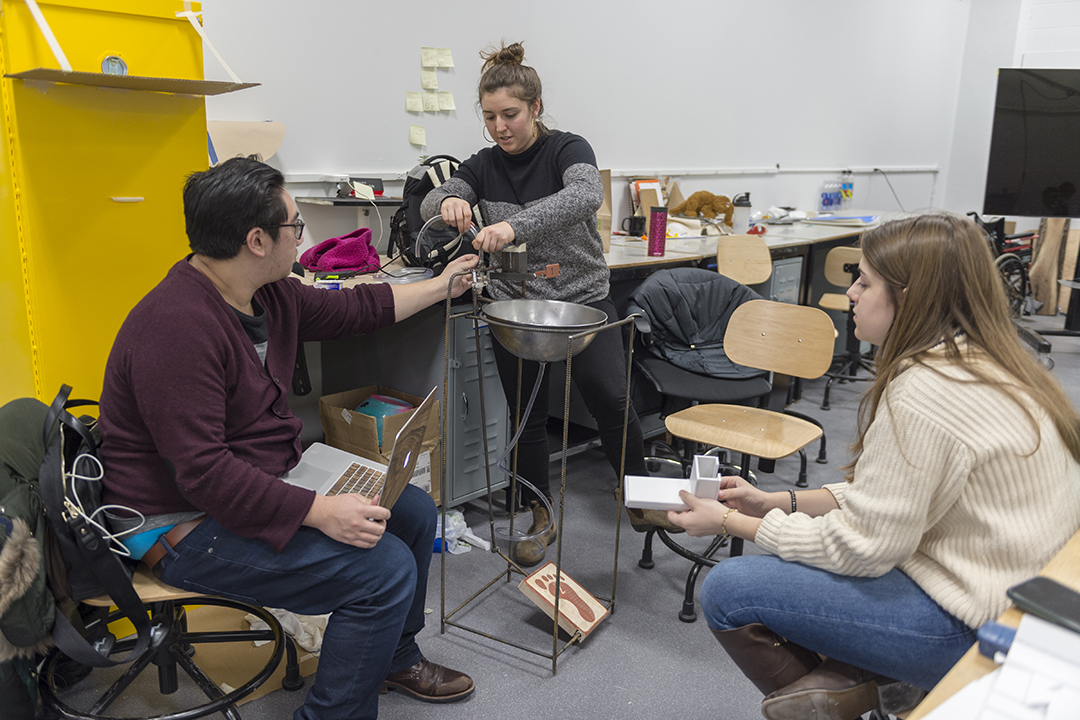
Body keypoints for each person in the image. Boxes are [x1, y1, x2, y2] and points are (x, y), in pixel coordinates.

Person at [98, 156, 479, 720]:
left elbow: (356, 307)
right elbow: (206, 476)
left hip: (251, 484)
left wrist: (441, 285)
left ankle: (394, 657)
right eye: (295, 227)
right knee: (383, 571)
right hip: (179, 523)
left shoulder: (267, 294)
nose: (303, 240)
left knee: (414, 512)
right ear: (256, 239)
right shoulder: (175, 328)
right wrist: (319, 511)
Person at [670, 213, 1080, 720]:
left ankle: (869, 686)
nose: (851, 294)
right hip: (1014, 590)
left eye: (864, 282)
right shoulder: (982, 359)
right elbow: (889, 495)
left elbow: (863, 548)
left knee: (729, 590)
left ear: (907, 297)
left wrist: (734, 523)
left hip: (978, 623)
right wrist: (779, 501)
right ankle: (868, 680)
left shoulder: (926, 391)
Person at [421, 41, 664, 568]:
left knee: (610, 399)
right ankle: (540, 512)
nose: (499, 126)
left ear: (534, 107)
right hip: (517, 306)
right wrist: (450, 200)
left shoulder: (567, 149)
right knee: (526, 415)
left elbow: (584, 197)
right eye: (489, 117)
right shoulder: (482, 165)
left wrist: (512, 224)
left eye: (509, 114)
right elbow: (429, 202)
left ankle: (639, 495)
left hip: (581, 299)